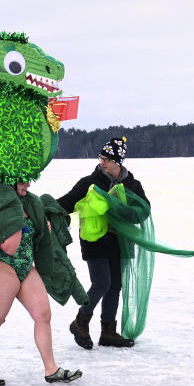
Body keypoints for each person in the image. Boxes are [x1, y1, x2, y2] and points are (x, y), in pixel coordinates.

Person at [0, 181, 84, 386]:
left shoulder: (31, 203)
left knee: (43, 315)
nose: (28, 183)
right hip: (3, 265)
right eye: (23, 179)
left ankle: (51, 369)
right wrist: (18, 218)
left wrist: (43, 226)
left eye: (29, 178)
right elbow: (9, 247)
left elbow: (37, 238)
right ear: (10, 179)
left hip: (26, 267)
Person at [56, 136, 149, 349]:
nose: (102, 162)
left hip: (120, 243)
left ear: (118, 161)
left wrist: (117, 208)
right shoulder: (89, 183)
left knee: (115, 285)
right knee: (102, 282)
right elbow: (66, 203)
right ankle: (80, 321)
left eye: (106, 159)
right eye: (101, 158)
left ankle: (108, 332)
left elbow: (143, 211)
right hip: (94, 240)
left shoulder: (132, 185)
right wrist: (39, 209)